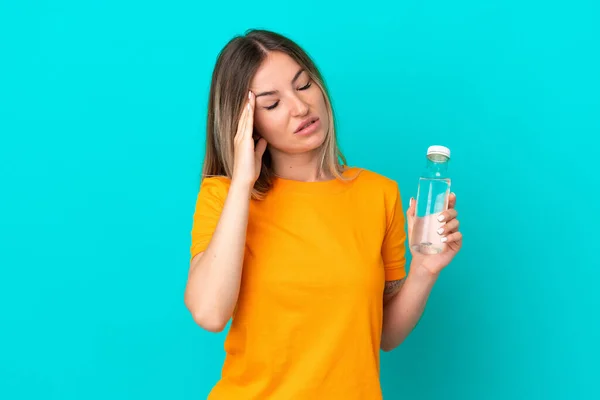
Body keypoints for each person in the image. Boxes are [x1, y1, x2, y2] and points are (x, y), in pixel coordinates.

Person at [184, 29, 462, 399]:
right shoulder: (225, 196)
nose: (300, 108)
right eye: (272, 104)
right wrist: (242, 182)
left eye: (303, 85)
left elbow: (382, 335)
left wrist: (424, 271)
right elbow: (210, 313)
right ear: (245, 123)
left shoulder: (379, 194)